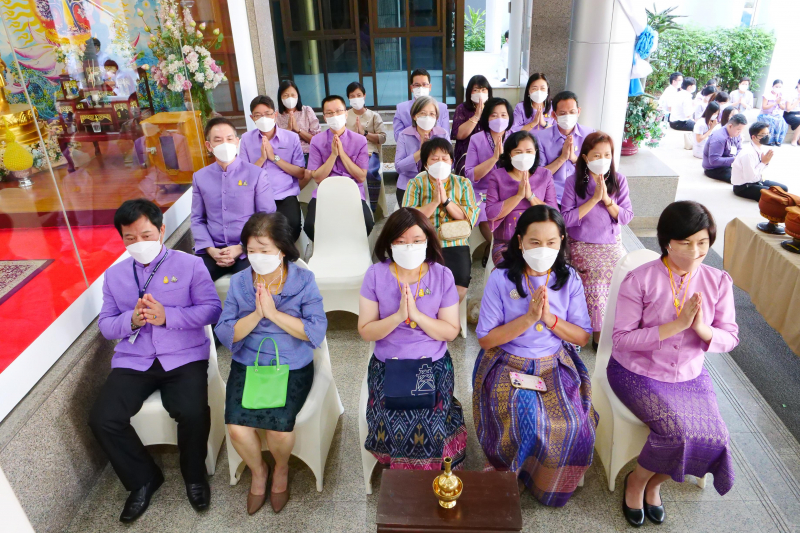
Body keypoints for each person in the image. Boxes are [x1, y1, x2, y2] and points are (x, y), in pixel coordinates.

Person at [89, 199, 222, 523]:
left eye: (146, 235)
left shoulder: (189, 265)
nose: (139, 244)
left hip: (183, 355)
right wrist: (131, 321)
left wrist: (168, 317)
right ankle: (143, 478)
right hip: (135, 359)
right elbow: (106, 325)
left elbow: (212, 309)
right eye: (130, 239)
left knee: (191, 411)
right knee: (102, 418)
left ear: (161, 230)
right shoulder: (115, 276)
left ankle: (194, 476)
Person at [608, 201, 739, 527]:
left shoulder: (718, 281)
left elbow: (731, 337)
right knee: (678, 432)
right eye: (685, 242)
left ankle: (656, 483)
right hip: (636, 371)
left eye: (703, 243)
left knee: (715, 436)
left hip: (689, 373)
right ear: (666, 241)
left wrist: (701, 330)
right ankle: (637, 482)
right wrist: (676, 326)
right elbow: (621, 339)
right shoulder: (640, 280)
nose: (695, 252)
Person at [474, 205, 596, 507]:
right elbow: (486, 339)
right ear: (519, 242)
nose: (543, 249)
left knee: (570, 424)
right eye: (534, 242)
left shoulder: (569, 280)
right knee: (522, 414)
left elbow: (582, 335)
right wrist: (528, 319)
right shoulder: (502, 279)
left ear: (562, 242)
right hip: (506, 361)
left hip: (553, 362)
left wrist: (550, 320)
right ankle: (510, 477)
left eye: (551, 242)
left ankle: (545, 483)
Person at [215, 212, 327, 515]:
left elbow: (315, 330)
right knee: (237, 429)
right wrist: (257, 314)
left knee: (278, 430)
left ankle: (280, 469)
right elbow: (226, 332)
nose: (257, 257)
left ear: (282, 248)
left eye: (264, 250)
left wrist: (275, 314)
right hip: (249, 363)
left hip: (291, 364)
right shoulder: (239, 283)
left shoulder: (303, 280)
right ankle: (258, 471)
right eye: (251, 251)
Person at [358, 208, 466, 470]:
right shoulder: (375, 274)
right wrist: (397, 316)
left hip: (432, 364)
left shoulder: (442, 275)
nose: (410, 247)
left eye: (417, 241)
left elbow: (450, 331)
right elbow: (366, 331)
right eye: (401, 241)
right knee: (390, 421)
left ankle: (428, 477)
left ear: (428, 241)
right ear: (389, 243)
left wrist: (416, 315)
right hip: (388, 366)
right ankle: (402, 476)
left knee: (429, 423)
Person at [561, 132, 633, 347]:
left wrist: (607, 201)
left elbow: (626, 217)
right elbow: (566, 218)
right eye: (596, 155)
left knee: (625, 276)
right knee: (597, 276)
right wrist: (593, 200)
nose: (603, 159)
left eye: (607, 155)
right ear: (585, 157)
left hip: (610, 244)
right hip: (581, 244)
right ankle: (598, 333)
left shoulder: (618, 180)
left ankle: (619, 329)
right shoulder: (573, 181)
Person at [191, 117, 276, 281]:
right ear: (209, 146)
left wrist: (242, 247)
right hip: (213, 250)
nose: (225, 144)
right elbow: (197, 219)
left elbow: (267, 218)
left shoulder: (256, 174)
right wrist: (210, 250)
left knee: (249, 285)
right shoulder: (200, 177)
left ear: (237, 141)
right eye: (218, 140)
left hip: (249, 249)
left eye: (229, 139)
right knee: (191, 281)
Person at [403, 137, 479, 303]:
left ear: (451, 162)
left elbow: (469, 217)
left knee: (460, 285)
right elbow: (409, 217)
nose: (440, 162)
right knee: (422, 284)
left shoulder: (463, 183)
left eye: (444, 159)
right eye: (434, 159)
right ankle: (429, 315)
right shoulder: (415, 184)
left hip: (455, 241)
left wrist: (446, 201)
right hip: (423, 240)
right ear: (425, 164)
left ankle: (446, 317)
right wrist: (435, 202)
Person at [239, 95, 307, 242]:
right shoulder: (246, 139)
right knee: (257, 232)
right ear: (252, 118)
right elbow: (243, 176)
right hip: (257, 195)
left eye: (268, 114)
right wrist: (262, 159)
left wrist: (274, 158)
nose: (264, 118)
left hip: (285, 194)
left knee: (292, 226)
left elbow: (301, 173)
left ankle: (283, 257)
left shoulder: (291, 138)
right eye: (258, 115)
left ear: (275, 114)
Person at [305, 95, 373, 241]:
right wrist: (333, 155)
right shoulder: (317, 141)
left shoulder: (359, 140)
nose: (334, 116)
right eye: (329, 113)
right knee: (310, 225)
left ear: (346, 113)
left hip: (352, 191)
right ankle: (329, 246)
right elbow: (317, 177)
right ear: (324, 117)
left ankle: (350, 245)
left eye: (338, 111)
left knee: (367, 223)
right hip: (325, 192)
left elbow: (361, 176)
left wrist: (342, 154)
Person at [484, 131, 557, 265]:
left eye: (529, 151)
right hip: (506, 243)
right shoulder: (497, 176)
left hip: (540, 243)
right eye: (518, 152)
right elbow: (491, 213)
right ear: (509, 154)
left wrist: (530, 196)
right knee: (512, 272)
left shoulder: (545, 175)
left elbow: (554, 213)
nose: (524, 156)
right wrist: (518, 196)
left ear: (535, 152)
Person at [465, 97, 514, 266]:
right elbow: (471, 174)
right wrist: (494, 158)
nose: (499, 119)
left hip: (511, 189)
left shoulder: (516, 138)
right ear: (486, 118)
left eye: (503, 115)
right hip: (482, 191)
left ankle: (494, 248)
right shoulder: (477, 139)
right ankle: (500, 250)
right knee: (486, 213)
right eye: (494, 115)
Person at [534, 90, 595, 204]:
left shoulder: (589, 135)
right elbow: (539, 175)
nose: (568, 116)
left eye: (572, 112)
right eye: (562, 113)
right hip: (553, 196)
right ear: (554, 115)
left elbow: (595, 170)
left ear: (578, 111)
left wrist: (574, 159)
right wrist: (562, 158)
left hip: (582, 195)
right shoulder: (541, 138)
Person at [395, 95, 450, 206]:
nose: (427, 117)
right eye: (423, 113)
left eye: (432, 114)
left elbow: (449, 163)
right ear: (414, 116)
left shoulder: (442, 134)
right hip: (408, 185)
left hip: (437, 184)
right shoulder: (404, 135)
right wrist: (421, 152)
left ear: (436, 117)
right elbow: (399, 167)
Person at [346, 81, 387, 212]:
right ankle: (350, 208)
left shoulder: (374, 116)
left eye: (358, 95)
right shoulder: (344, 115)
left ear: (364, 95)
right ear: (348, 98)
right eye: (352, 96)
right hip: (348, 153)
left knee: (370, 173)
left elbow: (383, 138)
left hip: (369, 152)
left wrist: (364, 133)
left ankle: (371, 208)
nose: (355, 98)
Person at [731, 122, 787, 200]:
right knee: (776, 196)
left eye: (768, 133)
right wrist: (763, 163)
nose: (767, 136)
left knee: (783, 189)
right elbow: (749, 177)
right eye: (763, 135)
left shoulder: (760, 148)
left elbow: (759, 172)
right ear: (754, 137)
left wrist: (765, 163)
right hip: (744, 187)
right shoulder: (748, 154)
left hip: (757, 181)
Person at [451, 74, 492, 175]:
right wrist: (476, 116)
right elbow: (458, 134)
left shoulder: (493, 108)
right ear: (469, 92)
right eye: (476, 90)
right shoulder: (462, 108)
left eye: (483, 90)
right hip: (466, 153)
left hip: (489, 151)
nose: (480, 93)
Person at [275, 79, 320, 166]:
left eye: (293, 95)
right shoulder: (276, 115)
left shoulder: (307, 111)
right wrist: (288, 130)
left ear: (297, 96)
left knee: (304, 171)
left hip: (306, 153)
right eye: (286, 95)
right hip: (286, 154)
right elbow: (276, 144)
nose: (290, 98)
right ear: (280, 98)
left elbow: (317, 141)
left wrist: (298, 130)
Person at [393, 68, 450, 135]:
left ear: (430, 87)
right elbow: (398, 136)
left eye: (424, 84)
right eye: (417, 85)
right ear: (411, 88)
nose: (421, 88)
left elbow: (446, 135)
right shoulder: (401, 109)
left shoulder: (442, 108)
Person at [702, 113, 747, 183]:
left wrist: (739, 157)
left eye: (741, 130)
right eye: (738, 129)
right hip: (714, 168)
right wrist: (735, 159)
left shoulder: (736, 134)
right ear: (730, 126)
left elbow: (739, 148)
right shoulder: (719, 138)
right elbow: (714, 161)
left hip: (729, 163)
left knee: (749, 173)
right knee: (740, 179)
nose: (740, 132)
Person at [758, 79, 788, 146]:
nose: (778, 88)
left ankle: (778, 140)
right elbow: (764, 107)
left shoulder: (782, 96)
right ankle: (769, 140)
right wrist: (775, 103)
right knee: (772, 121)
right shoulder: (767, 95)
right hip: (765, 114)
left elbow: (783, 108)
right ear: (773, 86)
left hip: (776, 114)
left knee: (782, 121)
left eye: (780, 87)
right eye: (776, 86)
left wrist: (779, 102)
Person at [784, 80, 800, 146]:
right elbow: (788, 109)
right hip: (789, 114)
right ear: (798, 84)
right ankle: (794, 139)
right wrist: (798, 100)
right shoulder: (791, 94)